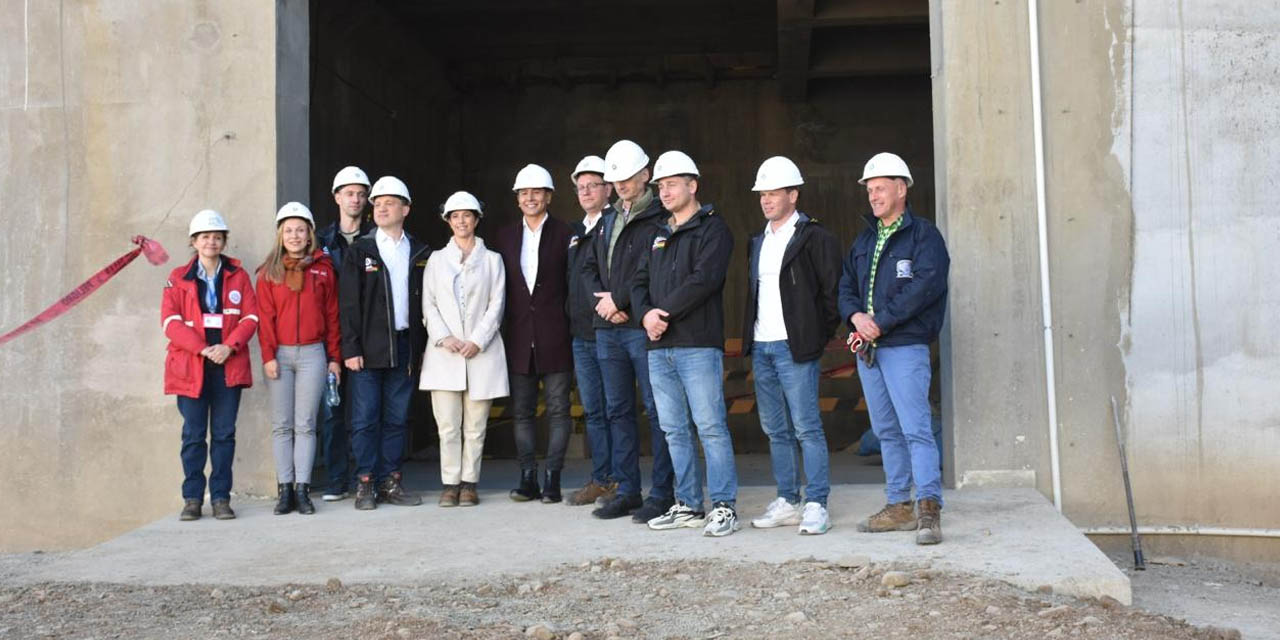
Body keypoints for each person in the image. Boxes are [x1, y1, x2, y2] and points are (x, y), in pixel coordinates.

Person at [838, 152, 950, 545]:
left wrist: (879, 322)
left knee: (916, 429)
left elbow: (925, 286)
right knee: (887, 430)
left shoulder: (924, 236)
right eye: (870, 190)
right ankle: (899, 505)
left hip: (903, 346)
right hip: (869, 350)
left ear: (901, 189)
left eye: (880, 188)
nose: (873, 196)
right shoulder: (865, 239)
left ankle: (928, 509)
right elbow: (845, 286)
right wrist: (855, 317)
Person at [632, 151, 740, 537]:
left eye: (671, 184)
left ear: (692, 186)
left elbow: (704, 279)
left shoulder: (713, 229)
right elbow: (638, 282)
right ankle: (690, 504)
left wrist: (662, 314)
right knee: (674, 429)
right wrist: (645, 315)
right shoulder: (657, 234)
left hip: (697, 344)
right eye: (660, 186)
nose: (664, 191)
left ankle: (724, 505)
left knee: (710, 426)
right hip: (659, 348)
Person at [741, 157, 842, 535]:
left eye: (773, 193)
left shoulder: (816, 237)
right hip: (763, 345)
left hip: (794, 347)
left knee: (806, 427)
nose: (766, 200)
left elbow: (832, 295)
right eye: (762, 194)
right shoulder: (759, 240)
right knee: (775, 428)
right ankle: (788, 499)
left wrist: (814, 336)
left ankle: (816, 502)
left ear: (792, 194)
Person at [581, 140, 675, 523]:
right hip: (608, 329)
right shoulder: (607, 218)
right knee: (618, 410)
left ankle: (663, 492)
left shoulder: (659, 216)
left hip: (641, 327)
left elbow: (650, 270)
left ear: (645, 176)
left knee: (657, 411)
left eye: (627, 178)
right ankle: (628, 490)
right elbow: (586, 269)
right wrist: (601, 304)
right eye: (615, 178)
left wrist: (620, 302)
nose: (620, 184)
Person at [162, 209, 259, 521]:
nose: (212, 242)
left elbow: (250, 318)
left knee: (223, 434)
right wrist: (204, 350)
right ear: (194, 241)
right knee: (192, 435)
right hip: (192, 365)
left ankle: (220, 498)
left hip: (227, 364)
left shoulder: (239, 276)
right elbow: (170, 323)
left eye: (217, 237)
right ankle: (192, 498)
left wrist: (228, 348)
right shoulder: (177, 278)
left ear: (224, 241)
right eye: (205, 237)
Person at [339, 176, 429, 510]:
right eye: (376, 204)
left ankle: (391, 481)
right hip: (367, 350)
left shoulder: (419, 250)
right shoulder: (360, 250)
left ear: (405, 209)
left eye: (389, 203)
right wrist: (351, 348)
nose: (380, 208)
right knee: (364, 419)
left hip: (404, 347)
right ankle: (365, 482)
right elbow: (348, 305)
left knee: (397, 419)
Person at [491, 164, 575, 504]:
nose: (530, 197)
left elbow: (572, 284)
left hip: (556, 333)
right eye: (524, 193)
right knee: (522, 411)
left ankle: (552, 477)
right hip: (518, 336)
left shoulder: (566, 233)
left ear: (549, 197)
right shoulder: (505, 236)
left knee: (558, 410)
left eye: (536, 192)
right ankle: (528, 477)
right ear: (517, 198)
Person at [419, 191, 509, 507]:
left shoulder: (493, 260)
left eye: (467, 215)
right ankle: (449, 484)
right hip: (445, 354)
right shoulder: (436, 260)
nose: (461, 221)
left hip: (480, 354)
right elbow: (428, 304)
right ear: (448, 221)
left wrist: (477, 340)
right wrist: (446, 338)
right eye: (455, 216)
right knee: (447, 426)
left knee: (475, 427)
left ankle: (469, 483)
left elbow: (497, 304)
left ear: (476, 219)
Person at [255, 202, 342, 516]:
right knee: (282, 425)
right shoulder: (268, 273)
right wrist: (268, 355)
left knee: (306, 424)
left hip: (312, 354)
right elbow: (265, 319)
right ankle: (285, 490)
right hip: (279, 354)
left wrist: (334, 358)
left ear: (310, 235)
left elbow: (332, 315)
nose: (294, 236)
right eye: (288, 230)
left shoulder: (323, 269)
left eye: (300, 230)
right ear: (281, 235)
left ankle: (303, 490)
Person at [316, 165, 374, 502]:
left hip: (366, 337)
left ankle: (364, 477)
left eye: (360, 194)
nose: (355, 199)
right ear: (337, 197)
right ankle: (336, 480)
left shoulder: (374, 238)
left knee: (364, 412)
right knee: (333, 412)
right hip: (329, 339)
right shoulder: (320, 241)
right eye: (349, 193)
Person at [564, 155, 618, 506]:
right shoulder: (576, 231)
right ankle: (602, 479)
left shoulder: (617, 223)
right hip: (582, 334)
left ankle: (623, 481)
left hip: (611, 332)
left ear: (608, 187)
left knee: (618, 409)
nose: (585, 192)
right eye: (580, 187)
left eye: (592, 185)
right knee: (594, 411)